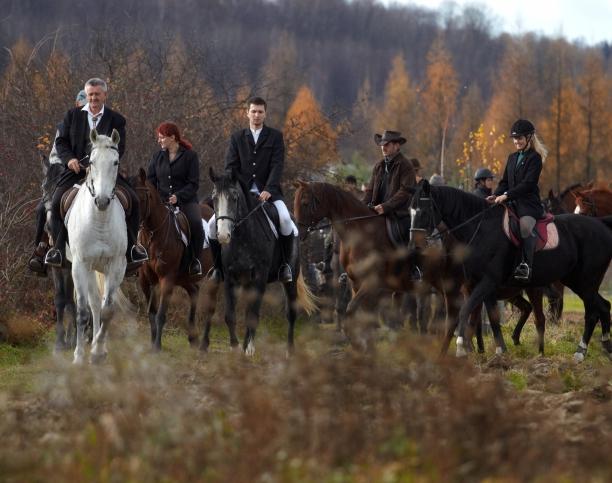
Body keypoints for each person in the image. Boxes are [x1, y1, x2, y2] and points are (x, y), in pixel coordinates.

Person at [44, 78, 148, 272]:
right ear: (87, 95)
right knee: (56, 201)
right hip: (75, 171)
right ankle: (56, 250)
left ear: (104, 95)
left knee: (133, 200)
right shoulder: (72, 115)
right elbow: (61, 143)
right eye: (90, 94)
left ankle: (133, 248)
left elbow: (120, 146)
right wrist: (69, 160)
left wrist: (104, 162)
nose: (93, 98)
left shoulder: (116, 119)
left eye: (97, 94)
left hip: (104, 173)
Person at [207, 96, 298, 283]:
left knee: (286, 220)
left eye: (260, 112)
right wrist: (236, 189)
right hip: (241, 195)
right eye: (253, 111)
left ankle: (285, 266)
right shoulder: (237, 138)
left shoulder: (275, 137)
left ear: (265, 114)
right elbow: (230, 167)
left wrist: (269, 189)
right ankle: (218, 269)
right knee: (210, 225)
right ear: (247, 113)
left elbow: (277, 165)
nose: (256, 115)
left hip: (269, 193)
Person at [28, 90, 88, 274]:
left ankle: (129, 250)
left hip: (91, 174)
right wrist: (67, 163)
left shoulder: (102, 124)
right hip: (65, 173)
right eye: (82, 104)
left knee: (127, 199)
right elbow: (55, 154)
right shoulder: (66, 124)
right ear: (77, 105)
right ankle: (40, 251)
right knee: (42, 210)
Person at [487, 119, 548, 281]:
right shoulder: (512, 157)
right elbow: (505, 181)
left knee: (525, 227)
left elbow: (528, 184)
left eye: (520, 138)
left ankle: (525, 265)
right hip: (512, 202)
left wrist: (506, 195)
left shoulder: (535, 158)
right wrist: (496, 194)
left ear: (529, 138)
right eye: (514, 138)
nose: (516, 141)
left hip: (529, 205)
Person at [147, 122, 204, 276]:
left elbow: (193, 184)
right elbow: (150, 181)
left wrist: (178, 197)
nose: (159, 141)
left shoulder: (190, 156)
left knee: (197, 224)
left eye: (161, 138)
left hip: (186, 201)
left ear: (172, 137)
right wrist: (157, 198)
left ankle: (195, 261)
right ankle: (140, 257)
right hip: (162, 202)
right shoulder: (157, 157)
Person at [363, 130, 416, 216]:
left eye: (386, 144)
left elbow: (405, 192)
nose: (383, 147)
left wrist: (385, 207)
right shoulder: (378, 166)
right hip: (377, 212)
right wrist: (361, 205)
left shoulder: (406, 165)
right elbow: (370, 190)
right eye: (382, 145)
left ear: (396, 146)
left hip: (398, 214)